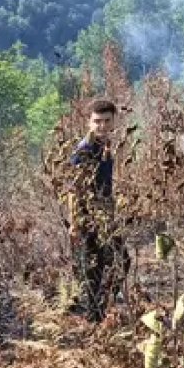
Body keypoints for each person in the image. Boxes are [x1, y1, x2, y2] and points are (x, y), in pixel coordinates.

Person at [68, 99, 119, 321]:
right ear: (89, 122)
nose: (102, 126)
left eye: (107, 121)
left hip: (104, 214)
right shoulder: (85, 149)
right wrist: (75, 223)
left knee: (109, 262)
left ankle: (99, 312)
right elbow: (73, 189)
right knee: (98, 265)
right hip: (87, 215)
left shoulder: (105, 145)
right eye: (97, 121)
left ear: (114, 121)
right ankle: (94, 316)